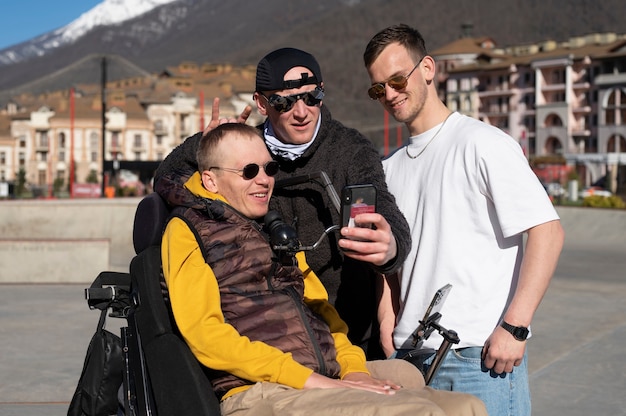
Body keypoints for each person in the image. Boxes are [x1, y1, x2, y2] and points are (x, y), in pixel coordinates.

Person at [160, 122, 487, 416]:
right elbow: (207, 336)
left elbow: (323, 315)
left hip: (319, 375)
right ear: (210, 180)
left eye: (269, 168)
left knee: (467, 406)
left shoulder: (274, 230)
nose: (263, 180)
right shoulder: (187, 230)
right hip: (258, 391)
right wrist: (317, 383)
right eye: (248, 171)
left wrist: (352, 369)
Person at [154, 47, 411, 358]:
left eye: (311, 96)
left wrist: (391, 247)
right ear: (262, 103)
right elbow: (167, 181)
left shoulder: (351, 150)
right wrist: (202, 145)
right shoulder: (244, 152)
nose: (301, 111)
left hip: (351, 336)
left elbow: (382, 206)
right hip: (270, 339)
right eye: (283, 102)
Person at [362, 24, 565, 416]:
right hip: (409, 360)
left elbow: (547, 231)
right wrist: (387, 320)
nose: (389, 94)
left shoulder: (482, 143)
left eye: (397, 79)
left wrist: (515, 327)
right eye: (377, 88)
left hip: (478, 357)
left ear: (427, 68)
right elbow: (387, 261)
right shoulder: (388, 169)